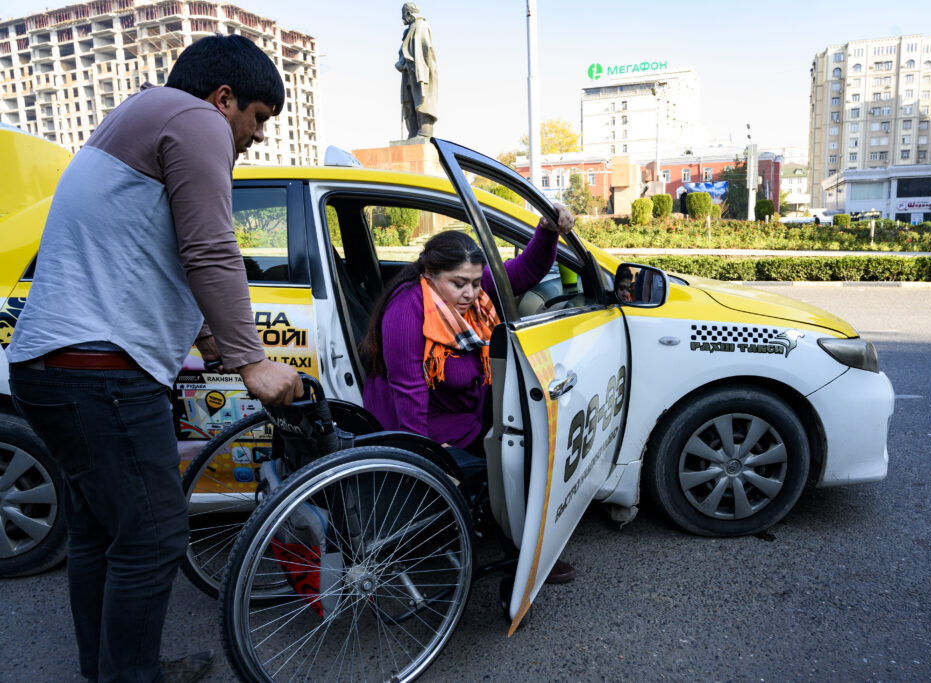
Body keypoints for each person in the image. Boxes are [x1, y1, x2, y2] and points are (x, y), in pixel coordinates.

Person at [6, 34, 303, 683]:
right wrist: (253, 360)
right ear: (224, 99)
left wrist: (207, 338)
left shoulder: (140, 117)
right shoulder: (193, 118)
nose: (255, 137)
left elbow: (155, 248)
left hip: (51, 369)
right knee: (154, 537)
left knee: (101, 534)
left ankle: (112, 668)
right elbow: (210, 248)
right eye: (257, 120)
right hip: (100, 373)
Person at [359, 206, 578, 583]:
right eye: (459, 283)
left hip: (462, 414)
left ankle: (522, 543)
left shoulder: (473, 297)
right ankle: (523, 556)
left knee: (523, 443)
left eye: (476, 282)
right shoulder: (407, 310)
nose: (470, 293)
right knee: (512, 460)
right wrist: (425, 455)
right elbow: (408, 392)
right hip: (417, 425)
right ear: (429, 275)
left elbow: (525, 271)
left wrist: (546, 231)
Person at [395, 2, 438, 138]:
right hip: (409, 73)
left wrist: (421, 69)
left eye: (403, 15)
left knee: (422, 100)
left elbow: (425, 48)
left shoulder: (422, 26)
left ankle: (425, 132)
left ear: (408, 13)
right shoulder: (408, 30)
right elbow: (404, 50)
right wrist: (402, 63)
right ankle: (413, 132)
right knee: (410, 102)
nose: (402, 18)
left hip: (420, 72)